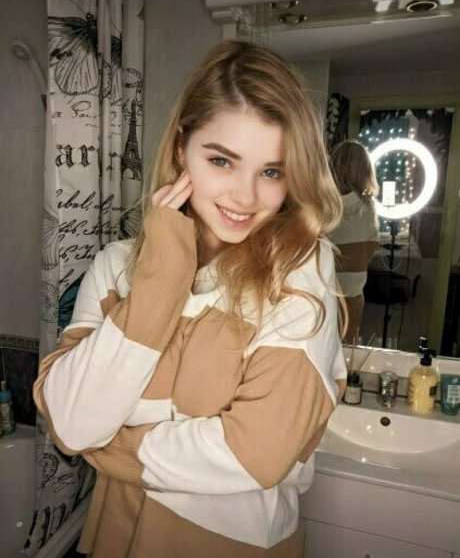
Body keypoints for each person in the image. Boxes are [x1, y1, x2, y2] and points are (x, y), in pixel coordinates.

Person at [34, 39, 347, 558]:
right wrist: (161, 279)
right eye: (222, 161)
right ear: (181, 149)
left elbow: (256, 453)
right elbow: (70, 421)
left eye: (272, 171)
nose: (245, 197)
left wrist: (112, 448)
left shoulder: (299, 270)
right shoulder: (116, 265)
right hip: (117, 532)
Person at [328, 139, 380, 344]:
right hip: (353, 296)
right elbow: (370, 249)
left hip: (324, 295)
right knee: (348, 353)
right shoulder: (368, 207)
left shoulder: (323, 207)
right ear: (365, 171)